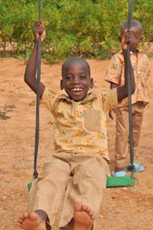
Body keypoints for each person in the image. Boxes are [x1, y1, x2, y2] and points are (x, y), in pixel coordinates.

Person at [17, 21, 135, 230]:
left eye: (82, 77)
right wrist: (38, 44)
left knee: (90, 178)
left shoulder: (102, 99)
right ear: (62, 84)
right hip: (61, 157)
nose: (75, 82)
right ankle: (40, 218)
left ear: (91, 83)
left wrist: (126, 53)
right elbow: (29, 78)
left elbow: (130, 87)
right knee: (48, 179)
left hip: (93, 158)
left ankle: (79, 221)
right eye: (69, 78)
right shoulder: (56, 101)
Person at [105, 19, 151, 177]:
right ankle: (119, 166)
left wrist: (145, 98)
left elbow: (146, 80)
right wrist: (111, 103)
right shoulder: (118, 58)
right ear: (121, 38)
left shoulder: (145, 58)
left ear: (140, 39)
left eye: (133, 37)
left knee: (135, 133)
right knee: (122, 134)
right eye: (125, 37)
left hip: (139, 102)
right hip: (123, 103)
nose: (129, 40)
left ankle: (131, 161)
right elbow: (113, 82)